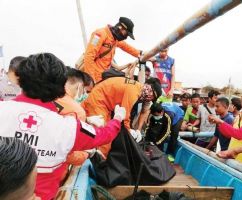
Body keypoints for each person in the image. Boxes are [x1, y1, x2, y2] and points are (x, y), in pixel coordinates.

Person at [0, 53, 126, 200]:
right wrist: (117, 118)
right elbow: (104, 135)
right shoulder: (68, 128)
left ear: (20, 79)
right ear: (60, 86)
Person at [208, 85, 242, 166]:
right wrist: (218, 123)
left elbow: (240, 134)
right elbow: (230, 134)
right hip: (232, 157)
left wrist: (220, 122)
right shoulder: (239, 115)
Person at [83, 17, 142, 83]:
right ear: (121, 28)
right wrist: (91, 80)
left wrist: (142, 54)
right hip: (95, 79)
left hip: (104, 78)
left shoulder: (115, 39)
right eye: (126, 34)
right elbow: (89, 56)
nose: (126, 37)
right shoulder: (99, 34)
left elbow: (128, 48)